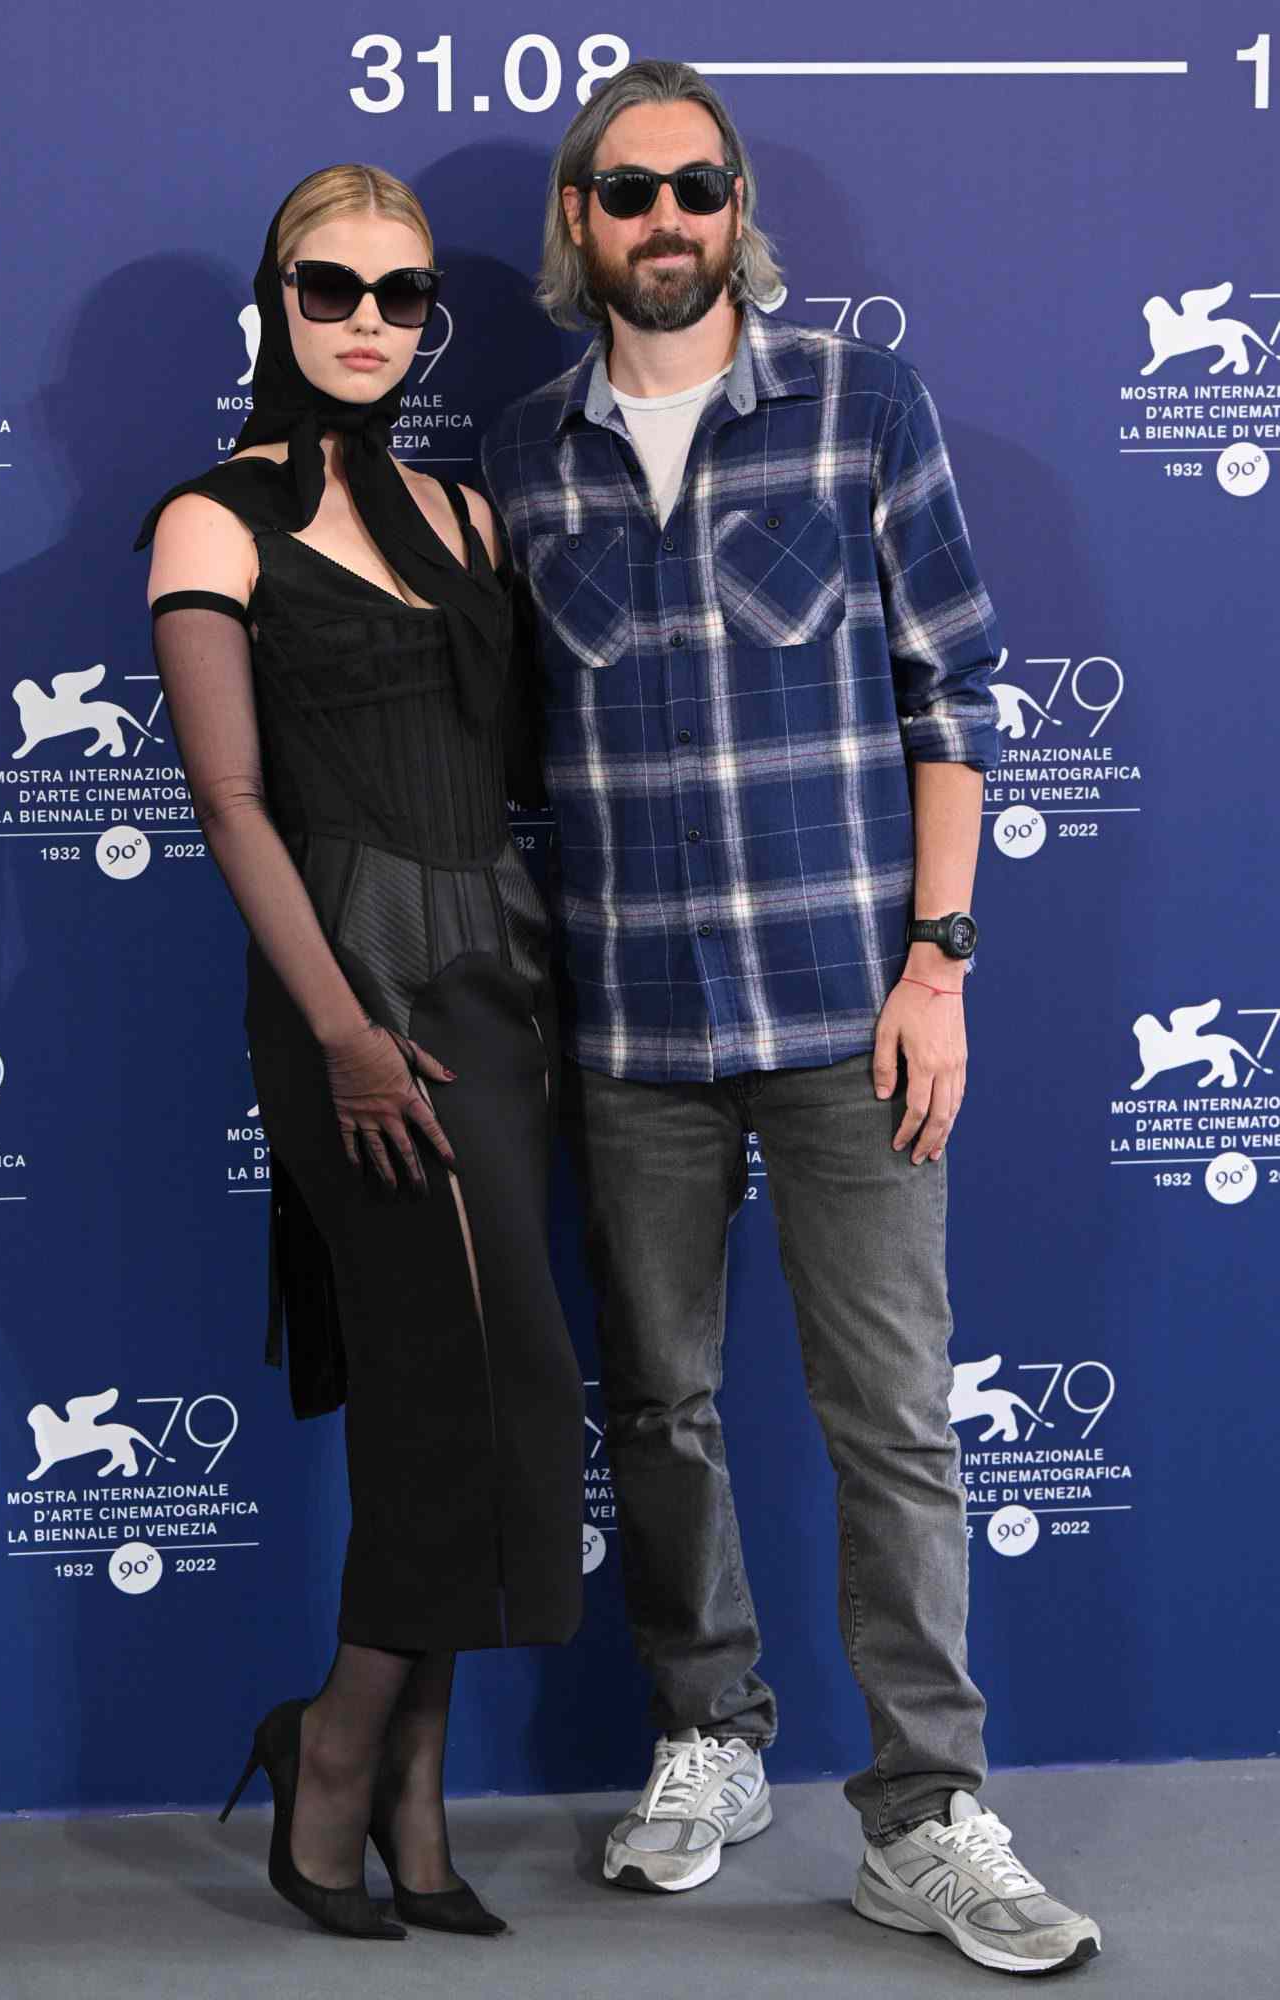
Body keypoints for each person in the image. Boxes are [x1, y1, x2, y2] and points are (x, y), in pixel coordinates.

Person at [481, 61, 1101, 1976]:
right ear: (578, 228)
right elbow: (507, 758)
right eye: (625, 191)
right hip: (632, 1026)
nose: (664, 220)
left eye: (695, 186)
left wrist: (943, 963)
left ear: (737, 206)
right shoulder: (522, 454)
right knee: (657, 1404)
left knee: (893, 1422)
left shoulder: (859, 403)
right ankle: (706, 1733)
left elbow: (955, 696)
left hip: (853, 1009)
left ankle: (925, 1816)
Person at [134, 164, 583, 1943]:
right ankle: (332, 1752)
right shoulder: (209, 519)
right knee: (448, 1379)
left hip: (498, 980)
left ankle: (407, 1786)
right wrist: (340, 1032)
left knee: (470, 1394)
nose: (368, 323)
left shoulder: (470, 520)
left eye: (401, 298)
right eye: (332, 288)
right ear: (278, 298)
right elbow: (230, 801)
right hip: (347, 995)